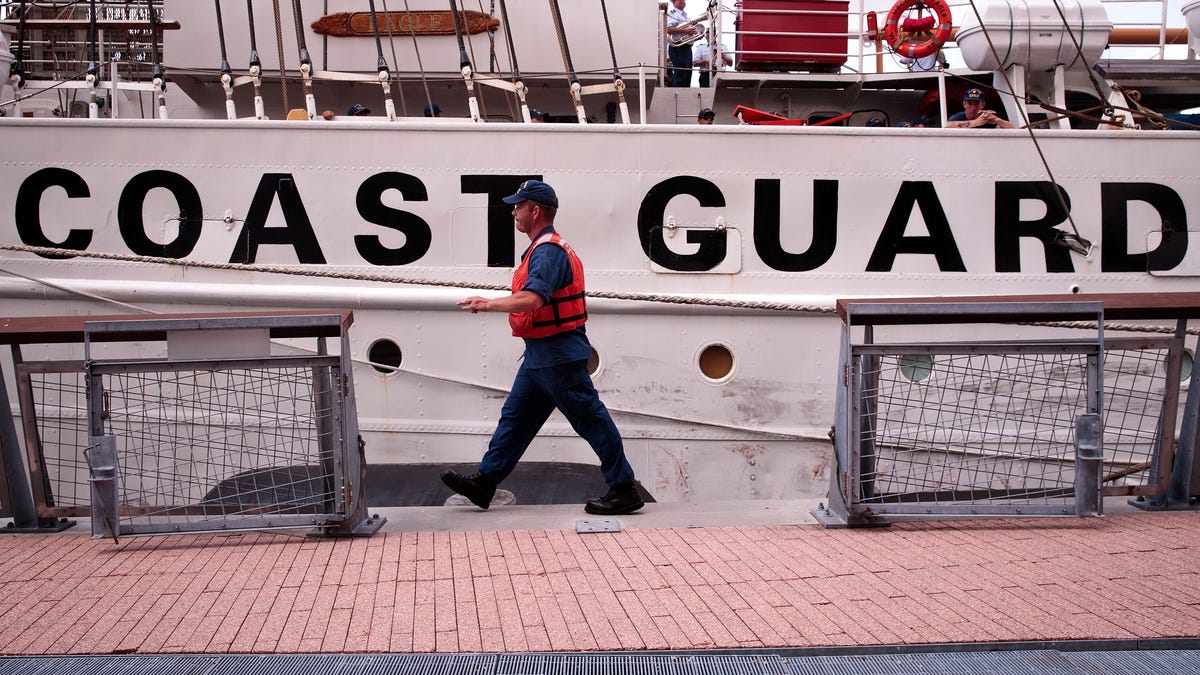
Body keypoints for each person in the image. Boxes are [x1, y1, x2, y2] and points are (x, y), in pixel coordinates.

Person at [442, 179, 644, 516]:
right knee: (515, 420)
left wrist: (487, 303)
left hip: (558, 354)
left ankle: (623, 487)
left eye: (518, 206)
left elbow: (533, 298)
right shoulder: (543, 248)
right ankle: (485, 482)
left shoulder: (548, 252)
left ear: (535, 211)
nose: (513, 212)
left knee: (590, 420)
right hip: (541, 354)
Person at [945, 88, 1013, 129]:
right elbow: (947, 126)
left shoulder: (985, 117)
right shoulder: (958, 117)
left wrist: (996, 120)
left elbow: (1013, 129)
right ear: (964, 104)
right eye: (970, 103)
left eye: (976, 104)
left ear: (983, 105)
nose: (973, 108)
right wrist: (976, 122)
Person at [665, 0, 695, 87]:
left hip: (687, 48)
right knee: (680, 76)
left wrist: (696, 35)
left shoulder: (686, 16)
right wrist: (685, 30)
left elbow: (686, 34)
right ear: (673, 2)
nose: (682, 1)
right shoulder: (672, 14)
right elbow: (668, 29)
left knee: (687, 76)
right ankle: (678, 97)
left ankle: (685, 97)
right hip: (678, 47)